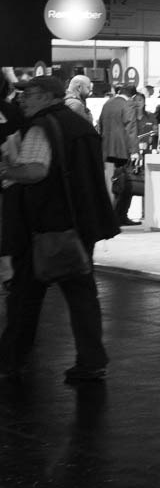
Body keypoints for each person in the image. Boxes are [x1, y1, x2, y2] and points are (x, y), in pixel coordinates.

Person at [0, 75, 119, 382]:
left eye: (29, 94)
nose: (23, 100)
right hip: (80, 223)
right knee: (82, 296)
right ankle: (92, 361)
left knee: (25, 296)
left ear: (47, 96)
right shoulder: (81, 125)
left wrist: (6, 169)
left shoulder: (42, 127)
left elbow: (35, 171)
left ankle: (11, 359)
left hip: (46, 226)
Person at [97, 82, 140, 227]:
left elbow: (100, 125)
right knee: (124, 183)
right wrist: (134, 151)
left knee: (110, 183)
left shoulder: (107, 103)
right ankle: (119, 216)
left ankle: (110, 215)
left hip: (106, 150)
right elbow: (131, 128)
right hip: (122, 150)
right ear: (132, 96)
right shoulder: (128, 104)